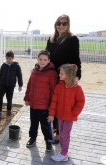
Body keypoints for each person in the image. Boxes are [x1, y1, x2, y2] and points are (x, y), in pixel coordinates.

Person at [46, 14, 82, 144]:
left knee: (61, 107)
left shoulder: (72, 39)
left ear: (68, 25)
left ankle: (59, 135)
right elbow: (46, 58)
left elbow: (76, 60)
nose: (61, 26)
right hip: (51, 77)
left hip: (64, 79)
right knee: (52, 104)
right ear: (55, 24)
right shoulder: (51, 39)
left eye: (64, 23)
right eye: (59, 23)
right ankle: (52, 131)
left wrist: (77, 76)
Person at [48, 64, 85, 162]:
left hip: (69, 117)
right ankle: (63, 153)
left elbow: (81, 102)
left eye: (61, 74)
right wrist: (51, 114)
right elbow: (54, 101)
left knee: (65, 134)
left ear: (68, 75)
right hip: (60, 116)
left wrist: (73, 113)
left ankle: (63, 153)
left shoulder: (77, 88)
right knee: (61, 135)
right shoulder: (58, 86)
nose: (59, 75)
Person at [24, 50, 58, 151]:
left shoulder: (52, 73)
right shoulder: (35, 70)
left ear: (49, 61)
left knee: (45, 126)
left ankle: (48, 142)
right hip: (33, 104)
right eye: (40, 59)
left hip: (44, 106)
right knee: (33, 123)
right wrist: (27, 98)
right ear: (37, 59)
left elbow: (54, 91)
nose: (42, 61)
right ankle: (32, 138)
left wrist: (52, 107)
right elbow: (29, 85)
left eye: (45, 60)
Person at [0, 50, 23, 120]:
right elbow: (0, 74)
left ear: (13, 58)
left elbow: (19, 75)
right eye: (7, 58)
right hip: (3, 85)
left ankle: (9, 109)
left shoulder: (16, 66)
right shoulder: (4, 65)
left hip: (11, 85)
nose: (8, 60)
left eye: (10, 59)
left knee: (9, 98)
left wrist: (20, 85)